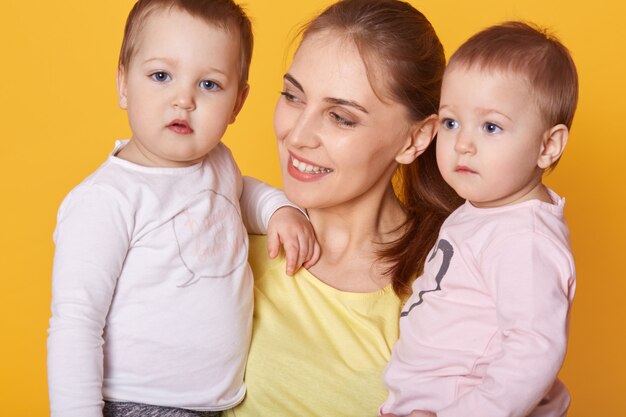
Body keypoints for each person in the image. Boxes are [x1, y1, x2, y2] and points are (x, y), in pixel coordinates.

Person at [46, 1, 319, 416]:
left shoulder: (218, 162)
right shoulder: (106, 200)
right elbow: (75, 323)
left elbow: (237, 195)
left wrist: (277, 208)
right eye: (161, 76)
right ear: (123, 84)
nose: (183, 100)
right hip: (137, 402)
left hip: (215, 404)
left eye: (209, 85)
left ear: (237, 105)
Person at [226, 1, 461, 416]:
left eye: (340, 117)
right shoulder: (225, 241)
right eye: (292, 96)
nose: (297, 136)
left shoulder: (449, 288)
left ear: (416, 139)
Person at [380, 21, 578, 417]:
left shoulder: (524, 238)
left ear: (548, 145)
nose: (463, 144)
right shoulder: (484, 211)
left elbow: (533, 349)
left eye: (491, 126)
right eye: (451, 122)